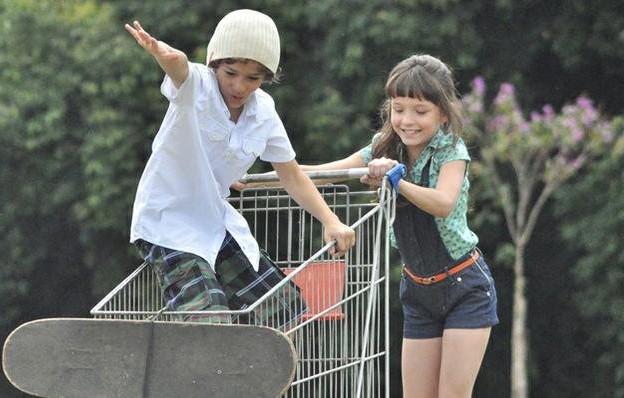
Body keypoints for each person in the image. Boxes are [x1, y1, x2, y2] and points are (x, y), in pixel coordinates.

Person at [124, 10, 355, 329]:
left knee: (281, 311)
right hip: (167, 224)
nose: (239, 86)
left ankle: (260, 378)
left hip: (215, 221)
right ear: (214, 61)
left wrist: (330, 220)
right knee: (210, 319)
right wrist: (166, 57)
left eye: (253, 78)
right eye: (230, 73)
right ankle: (202, 375)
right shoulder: (198, 88)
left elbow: (291, 175)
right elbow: (181, 71)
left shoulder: (264, 112)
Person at [301, 54, 499, 397]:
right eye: (398, 108)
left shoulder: (451, 151)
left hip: (465, 287)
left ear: (442, 112)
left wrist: (396, 180)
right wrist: (256, 178)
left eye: (420, 112)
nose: (407, 120)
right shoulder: (384, 145)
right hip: (418, 291)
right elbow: (324, 172)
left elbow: (443, 202)